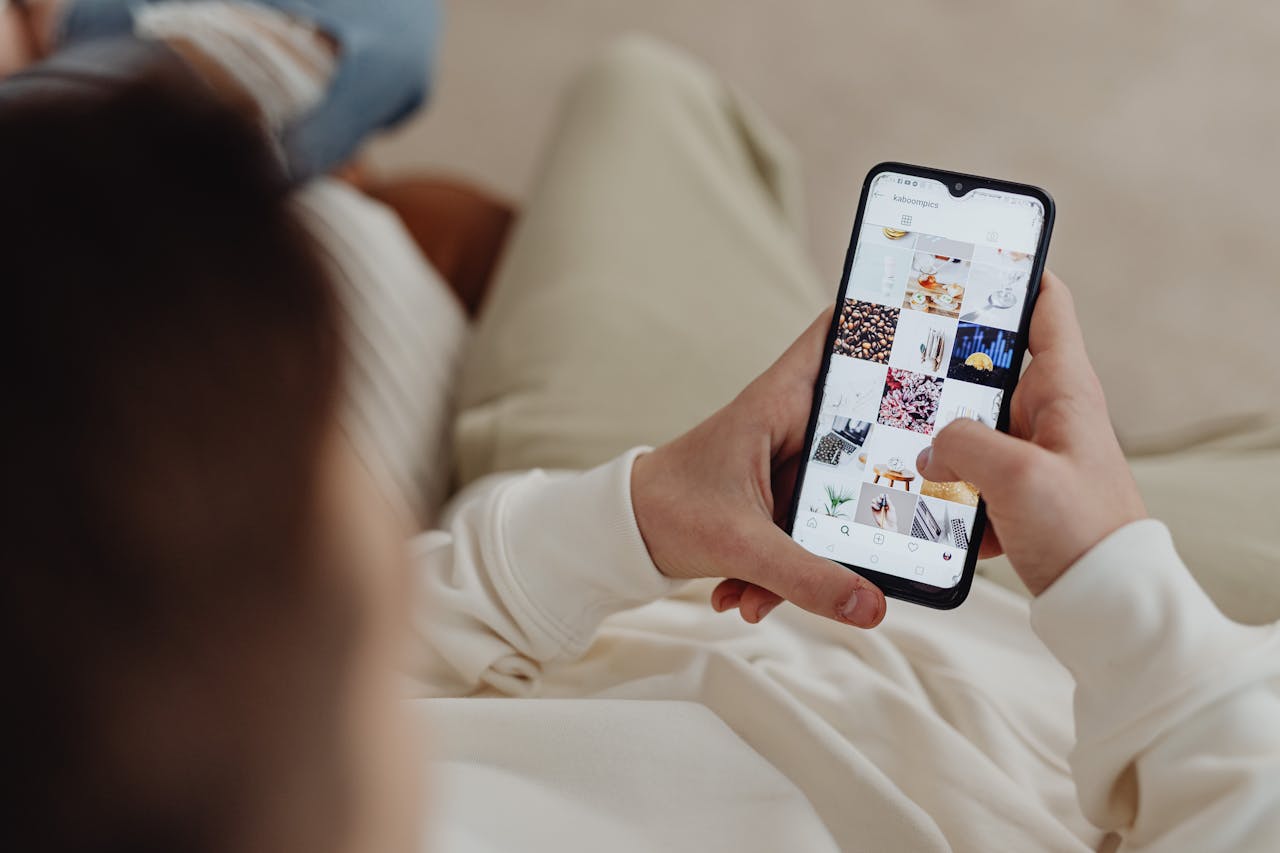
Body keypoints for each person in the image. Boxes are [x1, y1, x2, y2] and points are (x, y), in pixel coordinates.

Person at [4, 24, 1280, 853]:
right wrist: (1118, 584)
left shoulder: (156, 737)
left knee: (643, 89)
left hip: (680, 586)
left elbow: (415, 612)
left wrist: (639, 512)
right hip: (1133, 720)